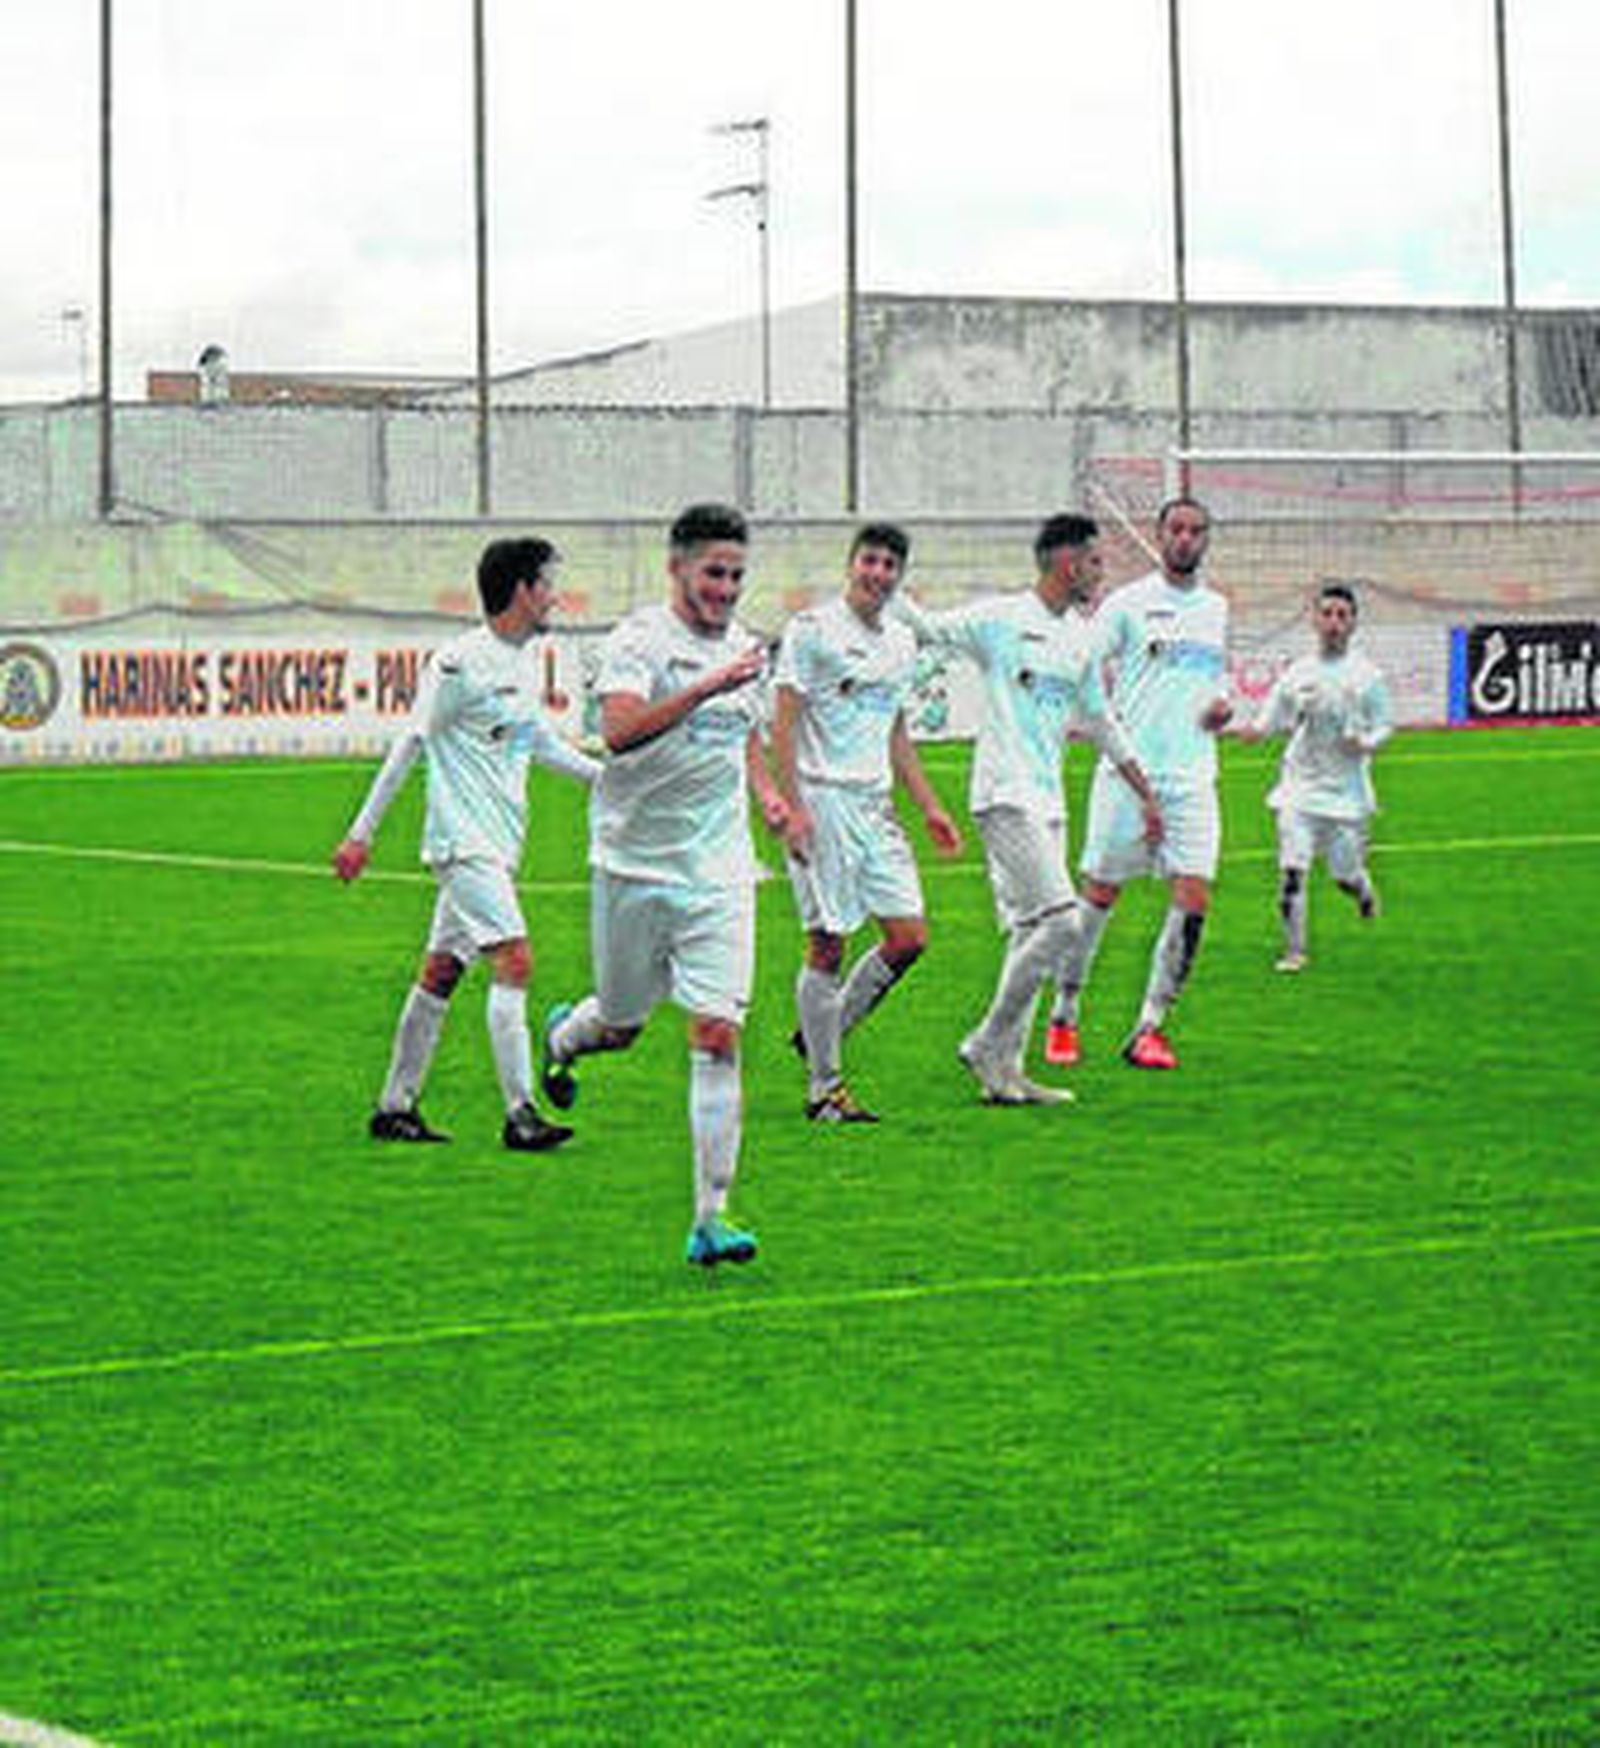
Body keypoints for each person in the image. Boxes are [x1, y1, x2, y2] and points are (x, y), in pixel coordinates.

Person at [539, 503, 790, 1269]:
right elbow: (618, 733)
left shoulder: (745, 649)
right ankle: (564, 1039)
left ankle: (711, 1217)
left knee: (716, 1033)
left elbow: (743, 734)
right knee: (621, 1025)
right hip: (634, 866)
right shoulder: (638, 641)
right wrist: (707, 686)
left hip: (719, 872)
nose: (727, 589)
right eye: (715, 572)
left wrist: (770, 797)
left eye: (737, 575)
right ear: (677, 567)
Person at [332, 536, 602, 1150]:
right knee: (515, 960)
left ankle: (394, 1107)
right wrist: (360, 834)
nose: (555, 597)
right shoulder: (457, 664)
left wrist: (606, 780)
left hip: (497, 844)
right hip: (463, 842)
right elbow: (412, 741)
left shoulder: (524, 662)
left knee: (442, 971)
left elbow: (536, 742)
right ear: (522, 590)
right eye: (548, 585)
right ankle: (520, 1113)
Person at [894, 513, 1163, 1103]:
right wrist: (883, 583)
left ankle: (1006, 1074)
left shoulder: (1081, 638)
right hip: (1004, 794)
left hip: (1048, 801)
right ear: (1068, 563)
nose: (1100, 572)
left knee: (1029, 930)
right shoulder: (1001, 619)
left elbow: (1101, 721)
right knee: (1063, 922)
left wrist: (1145, 791)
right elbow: (930, 628)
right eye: (1094, 561)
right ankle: (987, 1040)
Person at [771, 522, 963, 1123]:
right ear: (851, 564)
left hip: (875, 806)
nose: (878, 574)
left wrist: (930, 805)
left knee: (909, 937)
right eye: (870, 561)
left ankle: (819, 1034)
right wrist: (792, 807)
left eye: (889, 566)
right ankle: (824, 1089)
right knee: (827, 944)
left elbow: (895, 730)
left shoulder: (901, 642)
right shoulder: (812, 631)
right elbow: (783, 722)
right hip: (823, 799)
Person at [1044, 496, 1232, 1071]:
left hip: (1194, 777)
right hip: (1129, 776)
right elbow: (1082, 660)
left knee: (1194, 898)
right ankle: (1064, 1013)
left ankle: (1151, 1026)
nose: (1185, 538)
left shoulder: (1216, 608)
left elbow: (1212, 680)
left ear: (1206, 539)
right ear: (1159, 536)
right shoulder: (1128, 604)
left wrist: (1221, 708)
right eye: (1176, 529)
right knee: (1099, 895)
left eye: (1196, 530)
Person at [1242, 581, 1392, 971]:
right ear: (1314, 619)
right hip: (1300, 787)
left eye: (1342, 615)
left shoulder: (1368, 676)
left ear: (1353, 623)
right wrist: (1256, 731)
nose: (1333, 622)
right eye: (1326, 614)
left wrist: (1365, 743)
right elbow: (1272, 714)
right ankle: (1294, 951)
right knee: (1292, 870)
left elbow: (1384, 725)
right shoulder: (1298, 672)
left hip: (1346, 794)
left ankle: (1361, 888)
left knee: (1344, 875)